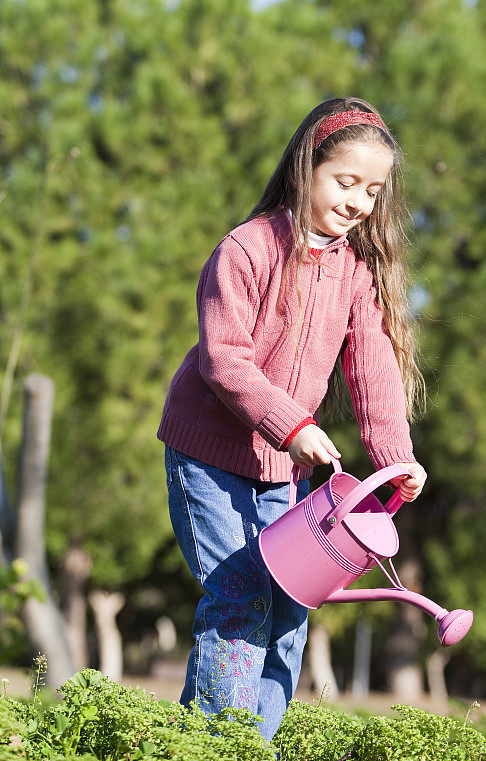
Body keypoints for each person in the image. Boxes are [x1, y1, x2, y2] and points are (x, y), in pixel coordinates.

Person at [157, 96, 427, 741]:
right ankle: (215, 745)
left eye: (372, 189)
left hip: (283, 471)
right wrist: (293, 424)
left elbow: (373, 368)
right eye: (345, 180)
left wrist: (394, 456)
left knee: (290, 604)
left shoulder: (355, 271)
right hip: (211, 455)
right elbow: (225, 360)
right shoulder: (246, 250)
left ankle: (253, 742)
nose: (359, 200)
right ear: (307, 166)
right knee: (241, 592)